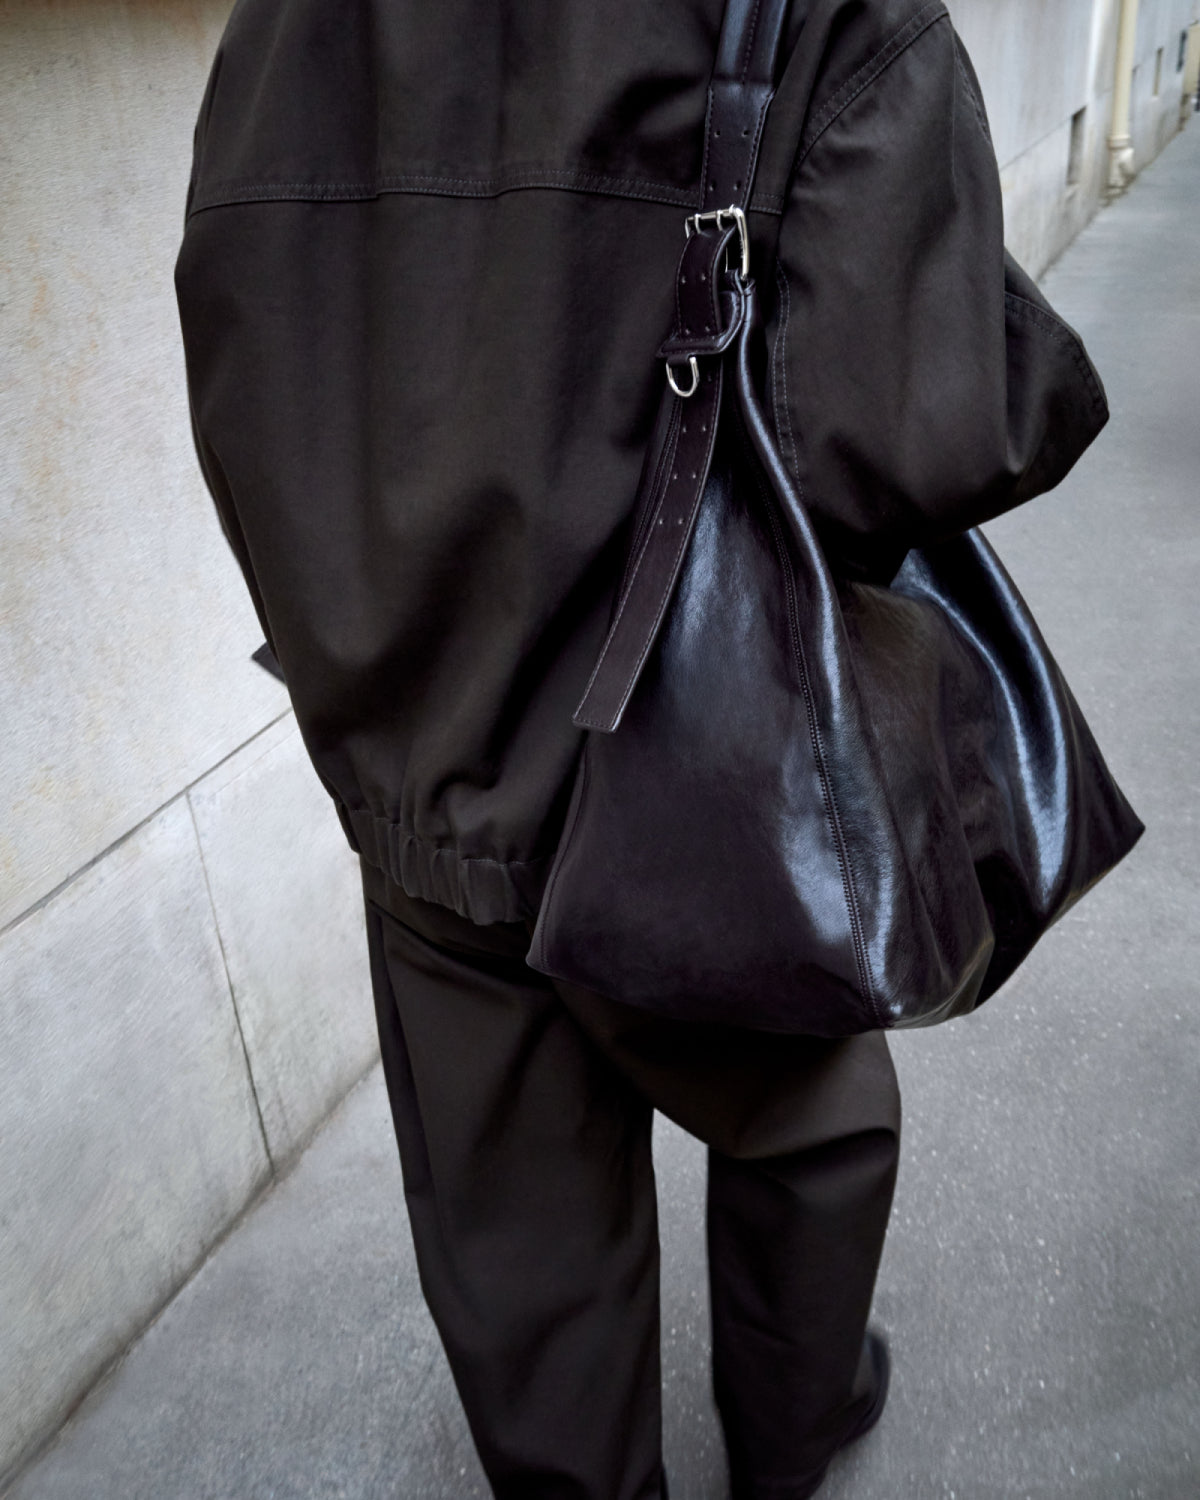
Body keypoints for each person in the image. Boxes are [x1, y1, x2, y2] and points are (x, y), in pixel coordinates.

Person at [176, 2, 1099, 1494]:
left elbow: (241, 345)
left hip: (424, 745)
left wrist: (359, 661)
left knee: (515, 1220)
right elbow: (908, 427)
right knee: (804, 1111)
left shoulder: (286, 25)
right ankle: (796, 1432)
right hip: (707, 755)